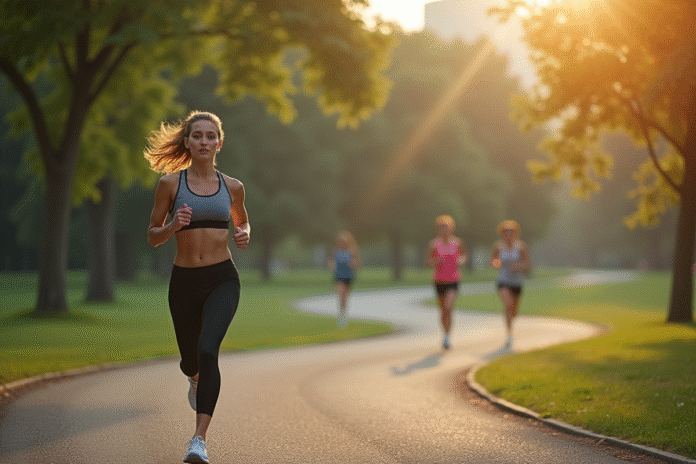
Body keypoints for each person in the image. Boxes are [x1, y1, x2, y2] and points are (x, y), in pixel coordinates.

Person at [145, 111, 250, 464]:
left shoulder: (233, 187)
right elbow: (153, 236)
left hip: (222, 279)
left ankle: (198, 440)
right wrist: (174, 224)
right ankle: (194, 378)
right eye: (197, 136)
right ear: (187, 141)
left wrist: (244, 234)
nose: (204, 141)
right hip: (184, 282)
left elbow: (244, 221)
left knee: (208, 349)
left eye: (210, 136)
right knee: (191, 360)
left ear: (219, 142)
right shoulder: (170, 185)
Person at [426, 215, 468, 350]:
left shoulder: (457, 243)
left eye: (446, 227)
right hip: (439, 279)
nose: (444, 229)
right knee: (443, 310)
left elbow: (464, 255)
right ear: (438, 229)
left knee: (449, 307)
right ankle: (444, 334)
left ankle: (447, 337)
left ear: (451, 228)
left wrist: (461, 260)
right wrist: (435, 262)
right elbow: (428, 261)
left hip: (453, 279)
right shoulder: (434, 244)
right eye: (441, 227)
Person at [491, 220, 530, 349]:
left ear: (515, 233)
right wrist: (497, 263)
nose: (508, 233)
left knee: (514, 312)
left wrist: (518, 266)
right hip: (503, 281)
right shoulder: (498, 246)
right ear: (502, 233)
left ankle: (510, 322)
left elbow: (527, 264)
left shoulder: (521, 247)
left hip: (517, 282)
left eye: (511, 231)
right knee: (507, 305)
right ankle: (509, 335)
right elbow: (493, 261)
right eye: (506, 231)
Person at [327, 231, 361, 328]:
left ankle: (343, 315)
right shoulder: (335, 251)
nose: (342, 243)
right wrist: (331, 265)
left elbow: (357, 263)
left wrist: (353, 263)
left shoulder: (352, 251)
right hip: (338, 276)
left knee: (345, 297)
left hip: (348, 276)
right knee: (341, 293)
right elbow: (330, 261)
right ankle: (341, 316)